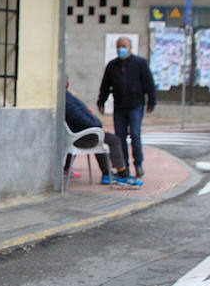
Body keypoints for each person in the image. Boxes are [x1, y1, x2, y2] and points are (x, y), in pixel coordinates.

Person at [96, 37, 157, 182]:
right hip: (119, 107)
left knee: (135, 135)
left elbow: (149, 83)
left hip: (136, 105)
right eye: (118, 46)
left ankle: (138, 163)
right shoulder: (112, 66)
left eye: (123, 46)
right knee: (119, 138)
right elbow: (105, 85)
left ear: (130, 47)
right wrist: (101, 101)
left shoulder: (140, 63)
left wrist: (151, 102)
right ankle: (125, 166)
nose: (120, 49)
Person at [63, 81, 130, 186]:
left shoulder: (66, 97)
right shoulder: (67, 100)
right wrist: (96, 124)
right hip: (80, 135)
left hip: (79, 133)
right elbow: (80, 118)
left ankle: (107, 174)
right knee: (112, 139)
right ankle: (122, 174)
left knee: (101, 138)